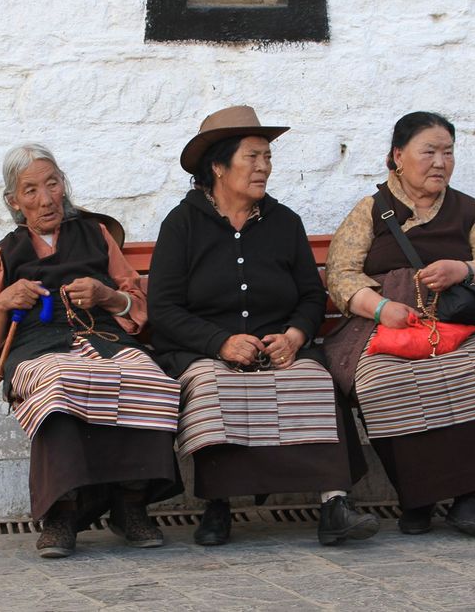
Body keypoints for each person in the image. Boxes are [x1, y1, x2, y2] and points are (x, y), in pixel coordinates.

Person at [148, 106, 379, 547]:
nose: (264, 167)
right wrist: (220, 343)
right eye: (252, 157)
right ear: (218, 166)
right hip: (205, 351)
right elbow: (164, 308)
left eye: (268, 158)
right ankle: (218, 504)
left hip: (280, 349)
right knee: (213, 386)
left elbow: (312, 296)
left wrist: (295, 335)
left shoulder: (284, 222)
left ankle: (335, 504)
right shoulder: (182, 226)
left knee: (315, 378)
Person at [325, 111, 475, 538]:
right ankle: (418, 497)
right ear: (398, 156)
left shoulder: (467, 209)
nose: (440, 162)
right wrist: (381, 306)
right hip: (390, 323)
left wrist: (463, 269)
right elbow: (341, 274)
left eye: (448, 152)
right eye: (429, 152)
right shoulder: (371, 210)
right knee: (383, 381)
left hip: (460, 322)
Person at [0, 144, 182, 558]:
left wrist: (106, 295)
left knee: (148, 375)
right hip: (36, 350)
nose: (46, 199)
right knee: (59, 382)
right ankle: (62, 513)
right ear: (14, 201)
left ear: (63, 184)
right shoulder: (3, 255)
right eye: (30, 190)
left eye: (53, 183)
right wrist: (2, 304)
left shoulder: (96, 235)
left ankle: (130, 503)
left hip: (106, 340)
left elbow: (137, 307)